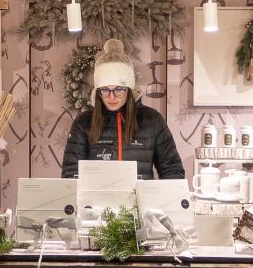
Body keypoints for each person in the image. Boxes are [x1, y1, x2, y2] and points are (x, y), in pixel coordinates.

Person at [59, 40, 184, 180]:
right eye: (105, 90)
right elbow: (71, 174)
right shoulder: (82, 123)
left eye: (119, 89)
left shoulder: (153, 120)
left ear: (130, 89)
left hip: (140, 201)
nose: (111, 97)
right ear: (97, 91)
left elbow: (172, 170)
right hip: (97, 201)